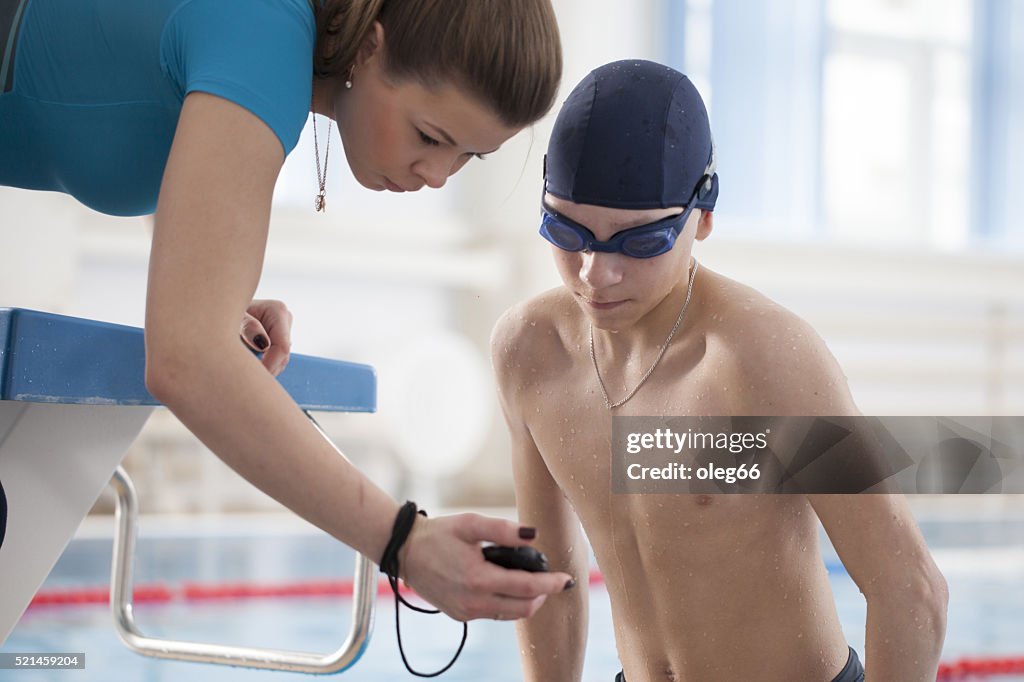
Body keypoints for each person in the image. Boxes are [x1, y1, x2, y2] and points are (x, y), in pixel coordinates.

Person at [0, 0, 574, 620]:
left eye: (469, 156)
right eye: (430, 137)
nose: (438, 175)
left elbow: (121, 89)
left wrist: (209, 286)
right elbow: (186, 359)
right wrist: (404, 541)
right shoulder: (264, 32)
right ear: (368, 48)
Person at [491, 60, 948, 681]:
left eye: (639, 242)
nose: (595, 273)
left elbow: (909, 587)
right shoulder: (530, 350)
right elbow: (548, 575)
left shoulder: (765, 361)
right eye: (566, 231)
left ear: (702, 217)